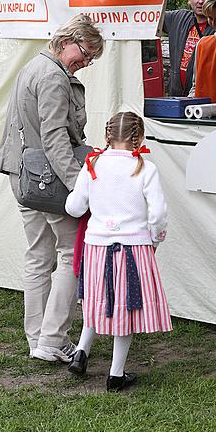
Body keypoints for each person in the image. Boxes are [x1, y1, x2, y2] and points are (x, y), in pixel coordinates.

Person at [0, 14, 104, 363]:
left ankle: (37, 340)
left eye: (90, 59)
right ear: (66, 41)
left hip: (24, 176)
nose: (85, 63)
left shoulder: (34, 67)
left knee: (39, 257)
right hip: (50, 181)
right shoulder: (54, 78)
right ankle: (53, 339)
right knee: (73, 255)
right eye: (85, 53)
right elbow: (56, 139)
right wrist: (78, 188)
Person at [64, 111, 171, 392]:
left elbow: (75, 207)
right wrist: (155, 239)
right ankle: (115, 374)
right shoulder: (145, 168)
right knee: (125, 309)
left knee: (97, 300)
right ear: (139, 137)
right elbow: (158, 213)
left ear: (107, 135)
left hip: (97, 247)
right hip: (133, 247)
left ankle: (81, 353)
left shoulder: (92, 164)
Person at [162, 0, 216, 96]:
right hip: (176, 95)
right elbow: (150, 16)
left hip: (206, 97)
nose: (200, 1)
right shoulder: (177, 18)